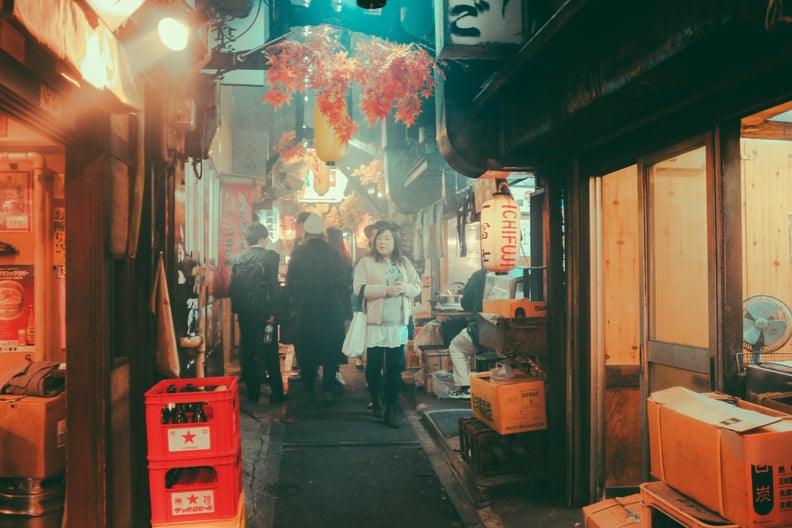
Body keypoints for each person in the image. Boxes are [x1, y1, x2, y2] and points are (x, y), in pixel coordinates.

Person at [353, 223, 421, 428]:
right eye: (379, 239)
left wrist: (405, 288)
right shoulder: (365, 263)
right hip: (375, 322)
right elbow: (359, 289)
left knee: (394, 367)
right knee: (373, 365)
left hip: (397, 323)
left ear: (395, 242)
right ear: (374, 242)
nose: (382, 243)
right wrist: (385, 290)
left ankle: (391, 408)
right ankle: (376, 397)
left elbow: (417, 286)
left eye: (387, 239)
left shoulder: (404, 262)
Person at [285, 214, 352, 406]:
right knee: (330, 350)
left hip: (305, 308)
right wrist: (347, 314)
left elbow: (290, 282)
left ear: (305, 232)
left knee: (306, 348)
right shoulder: (333, 253)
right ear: (322, 233)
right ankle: (329, 389)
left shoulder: (298, 253)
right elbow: (343, 285)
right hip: (330, 308)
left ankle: (308, 389)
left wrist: (291, 305)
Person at [229, 222, 285, 404]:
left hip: (245, 314)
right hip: (266, 315)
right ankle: (277, 392)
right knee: (269, 348)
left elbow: (233, 287)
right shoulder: (271, 257)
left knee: (249, 348)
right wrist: (274, 311)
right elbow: (274, 287)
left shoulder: (237, 259)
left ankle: (252, 392)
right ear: (263, 239)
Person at [447, 267, 487, 399]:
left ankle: (465, 388)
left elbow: (466, 303)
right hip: (508, 329)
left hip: (482, 327)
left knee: (457, 346)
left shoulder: (479, 275)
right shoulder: (517, 271)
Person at [326, 226, 354, 384]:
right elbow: (349, 282)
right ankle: (335, 370)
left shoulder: (327, 256)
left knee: (328, 337)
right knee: (339, 336)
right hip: (342, 302)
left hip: (327, 303)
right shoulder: (345, 256)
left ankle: (331, 370)